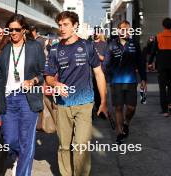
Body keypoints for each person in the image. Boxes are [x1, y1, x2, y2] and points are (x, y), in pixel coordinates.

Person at [45, 11, 108, 176]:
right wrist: (55, 83)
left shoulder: (87, 46)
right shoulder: (54, 49)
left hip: (85, 103)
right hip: (63, 104)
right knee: (64, 146)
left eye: (66, 24)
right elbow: (48, 77)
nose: (62, 28)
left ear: (75, 26)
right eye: (60, 25)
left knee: (81, 144)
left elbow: (99, 73)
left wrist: (103, 101)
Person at [0, 14, 45, 176]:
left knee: (26, 141)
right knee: (10, 139)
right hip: (7, 98)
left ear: (24, 30)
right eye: (10, 29)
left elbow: (43, 73)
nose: (13, 32)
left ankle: (23, 171)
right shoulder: (3, 49)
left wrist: (33, 80)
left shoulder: (35, 47)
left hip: (28, 98)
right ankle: (19, 158)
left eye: (16, 29)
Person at [106, 20, 147, 144]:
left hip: (131, 81)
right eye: (123, 29)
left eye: (128, 29)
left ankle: (126, 123)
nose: (126, 31)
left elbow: (140, 62)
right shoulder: (111, 44)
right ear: (118, 31)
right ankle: (119, 133)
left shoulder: (134, 44)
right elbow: (106, 64)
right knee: (118, 107)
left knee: (131, 108)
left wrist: (143, 78)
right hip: (116, 81)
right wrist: (107, 78)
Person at [149, 18, 171, 117]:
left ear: (163, 25)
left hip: (162, 65)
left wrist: (150, 62)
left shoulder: (158, 36)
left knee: (162, 87)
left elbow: (153, 51)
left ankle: (165, 110)